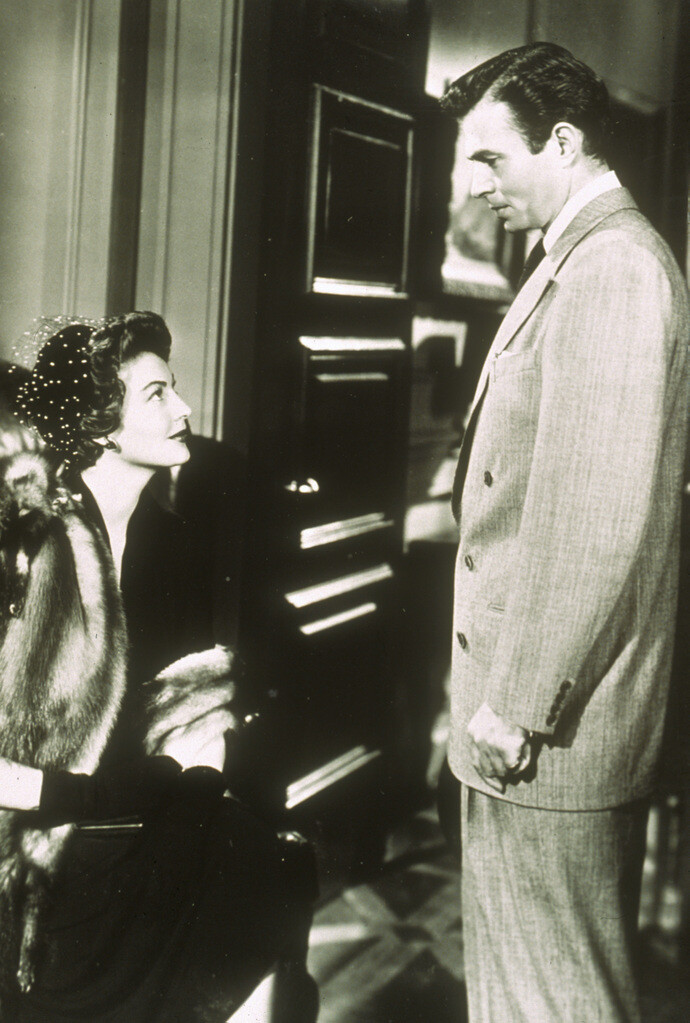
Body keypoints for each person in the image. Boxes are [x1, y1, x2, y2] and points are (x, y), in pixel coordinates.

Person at [440, 43, 689, 1022]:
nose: (475, 185)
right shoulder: (575, 258)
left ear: (565, 141)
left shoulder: (614, 268)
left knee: (555, 1000)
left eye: (491, 158)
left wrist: (515, 705)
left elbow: (592, 522)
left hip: (550, 732)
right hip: (529, 723)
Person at [0, 312, 317, 1022]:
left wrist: (189, 794)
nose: (184, 408)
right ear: (101, 426)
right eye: (157, 394)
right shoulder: (24, 542)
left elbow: (198, 713)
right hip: (32, 844)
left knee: (256, 872)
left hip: (134, 818)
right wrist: (87, 799)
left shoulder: (174, 542)